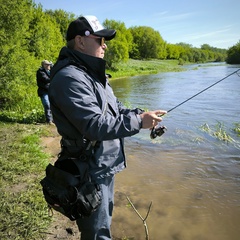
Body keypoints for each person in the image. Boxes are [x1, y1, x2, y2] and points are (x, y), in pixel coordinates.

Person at [49, 15, 167, 240]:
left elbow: (115, 109)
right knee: (97, 234)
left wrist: (140, 114)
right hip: (89, 170)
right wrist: (140, 123)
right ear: (80, 41)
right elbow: (93, 125)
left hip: (104, 164)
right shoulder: (69, 78)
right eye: (100, 40)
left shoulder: (92, 75)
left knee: (104, 224)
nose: (105, 46)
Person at [36, 60, 54, 124]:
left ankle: (52, 120)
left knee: (52, 105)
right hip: (43, 91)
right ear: (43, 65)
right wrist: (54, 76)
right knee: (47, 104)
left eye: (49, 64)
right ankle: (49, 120)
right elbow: (46, 79)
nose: (48, 65)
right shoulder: (40, 72)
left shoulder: (50, 71)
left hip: (50, 90)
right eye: (46, 64)